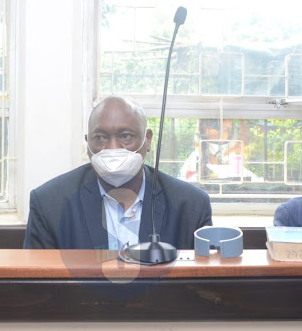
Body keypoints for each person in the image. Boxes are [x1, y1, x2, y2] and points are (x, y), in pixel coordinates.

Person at [23, 96, 213, 250]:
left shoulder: (190, 205)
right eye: (100, 138)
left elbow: (204, 286)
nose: (112, 148)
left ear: (147, 140)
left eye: (125, 136)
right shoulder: (49, 204)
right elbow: (37, 285)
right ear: (87, 143)